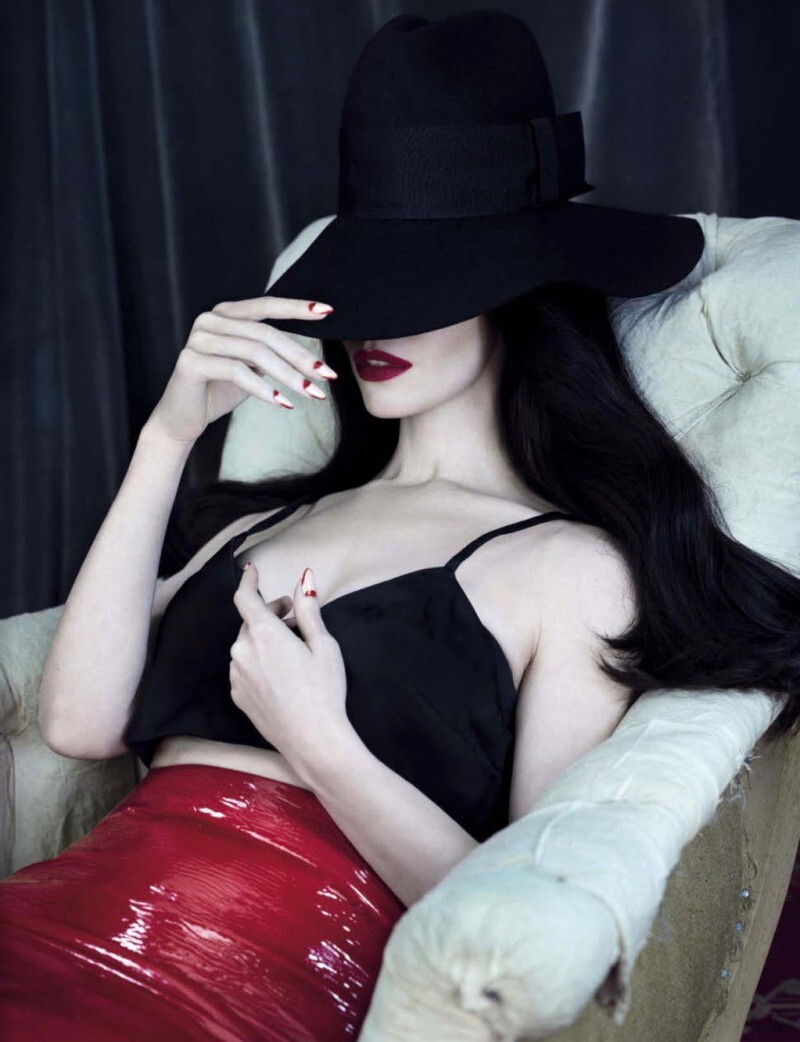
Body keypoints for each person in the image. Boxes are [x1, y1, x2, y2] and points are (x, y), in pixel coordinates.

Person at [2, 11, 798, 1042]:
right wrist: (166, 436)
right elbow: (79, 725)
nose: (375, 322)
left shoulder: (570, 567)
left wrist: (322, 743)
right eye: (367, 283)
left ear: (518, 288)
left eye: (423, 282)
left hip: (241, 994)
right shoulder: (266, 517)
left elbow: (508, 912)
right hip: (47, 925)